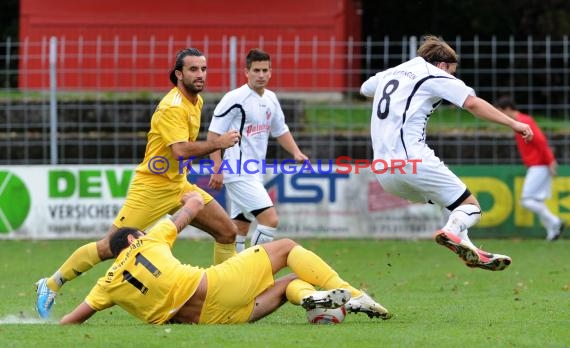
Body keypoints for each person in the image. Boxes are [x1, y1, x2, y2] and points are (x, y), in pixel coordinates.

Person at [36, 48, 242, 319]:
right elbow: (180, 150)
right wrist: (218, 143)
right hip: (152, 187)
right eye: (193, 69)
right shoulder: (172, 107)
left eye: (203, 69)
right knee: (109, 246)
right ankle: (50, 283)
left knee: (227, 232)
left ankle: (224, 297)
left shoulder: (196, 101)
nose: (200, 74)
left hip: (179, 185)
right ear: (179, 74)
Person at [59, 191, 391, 325]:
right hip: (217, 286)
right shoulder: (147, 241)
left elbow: (71, 321)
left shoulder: (107, 284)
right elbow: (187, 213)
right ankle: (356, 295)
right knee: (287, 247)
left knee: (289, 282)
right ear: (133, 238)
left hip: (216, 320)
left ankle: (312, 298)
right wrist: (188, 196)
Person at [360, 35, 534, 271]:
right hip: (413, 161)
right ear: (442, 65)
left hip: (384, 172)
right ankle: (452, 232)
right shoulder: (434, 74)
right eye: (452, 72)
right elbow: (472, 104)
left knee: (450, 204)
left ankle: (469, 250)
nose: (451, 78)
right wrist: (514, 124)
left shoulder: (394, 72)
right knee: (471, 206)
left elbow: (365, 88)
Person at [207, 48, 308, 252]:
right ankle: (255, 268)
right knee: (270, 220)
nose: (261, 75)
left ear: (271, 72)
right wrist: (217, 167)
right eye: (256, 70)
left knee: (239, 228)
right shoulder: (234, 98)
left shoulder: (271, 98)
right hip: (237, 171)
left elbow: (280, 130)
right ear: (246, 72)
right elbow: (213, 135)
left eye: (265, 70)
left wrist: (296, 153)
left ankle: (231, 275)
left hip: (255, 172)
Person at [495, 96, 564, 241]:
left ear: (507, 109)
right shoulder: (520, 122)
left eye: (500, 112)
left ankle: (554, 221)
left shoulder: (524, 121)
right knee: (537, 201)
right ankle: (552, 232)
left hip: (539, 165)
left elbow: (541, 141)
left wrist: (551, 161)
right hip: (538, 164)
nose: (500, 116)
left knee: (527, 200)